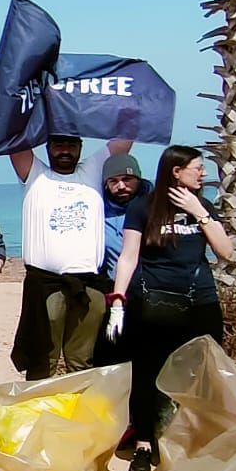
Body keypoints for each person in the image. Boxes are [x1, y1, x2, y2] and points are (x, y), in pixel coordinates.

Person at [105, 146, 233, 471]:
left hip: (200, 302)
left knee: (201, 376)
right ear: (176, 172)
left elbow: (226, 252)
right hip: (154, 304)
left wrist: (199, 213)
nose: (203, 173)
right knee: (147, 374)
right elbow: (129, 255)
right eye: (197, 168)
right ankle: (145, 443)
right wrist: (118, 298)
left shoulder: (202, 205)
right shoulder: (142, 207)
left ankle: (191, 440)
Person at [9, 132, 132, 380]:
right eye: (58, 145)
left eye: (71, 145)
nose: (65, 150)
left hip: (90, 286)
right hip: (45, 286)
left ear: (80, 147)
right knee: (43, 360)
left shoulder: (93, 170)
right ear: (48, 147)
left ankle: (79, 415)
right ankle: (39, 414)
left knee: (83, 362)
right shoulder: (36, 174)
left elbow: (124, 138)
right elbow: (15, 140)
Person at [93, 153, 151, 369]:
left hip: (150, 291)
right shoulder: (98, 211)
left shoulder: (154, 207)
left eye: (127, 180)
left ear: (138, 179)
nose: (121, 186)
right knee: (113, 357)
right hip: (115, 292)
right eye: (113, 181)